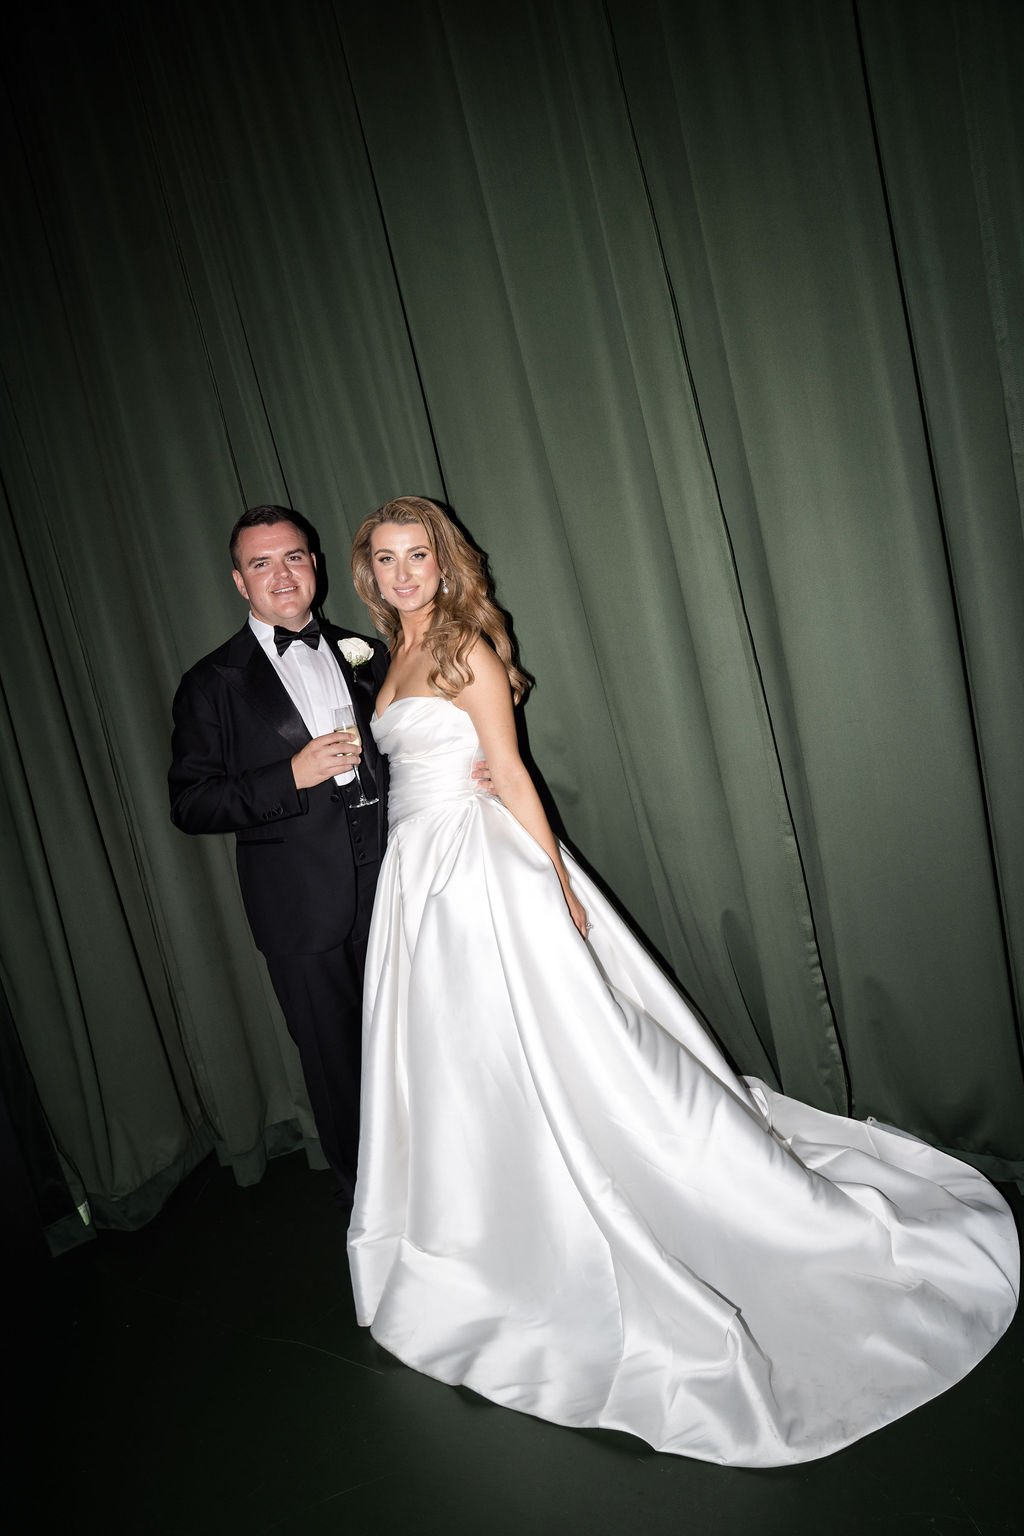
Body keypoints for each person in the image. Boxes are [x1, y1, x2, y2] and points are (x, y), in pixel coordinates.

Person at [346, 495, 1019, 1467]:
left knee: (532, 1049)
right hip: (416, 883)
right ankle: (476, 1223)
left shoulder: (466, 651)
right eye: (387, 557)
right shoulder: (393, 653)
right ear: (370, 570)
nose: (405, 572)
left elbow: (512, 772)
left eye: (419, 555)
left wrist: (555, 884)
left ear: (443, 564)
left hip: (477, 876)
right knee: (456, 1063)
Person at [168, 505, 391, 1207]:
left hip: (397, 880)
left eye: (293, 556)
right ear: (240, 582)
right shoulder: (212, 681)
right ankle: (374, 1219)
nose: (282, 574)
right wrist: (289, 776)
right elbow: (191, 804)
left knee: (416, 1047)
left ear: (315, 565)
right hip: (300, 908)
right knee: (339, 1072)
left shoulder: (368, 652)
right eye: (261, 563)